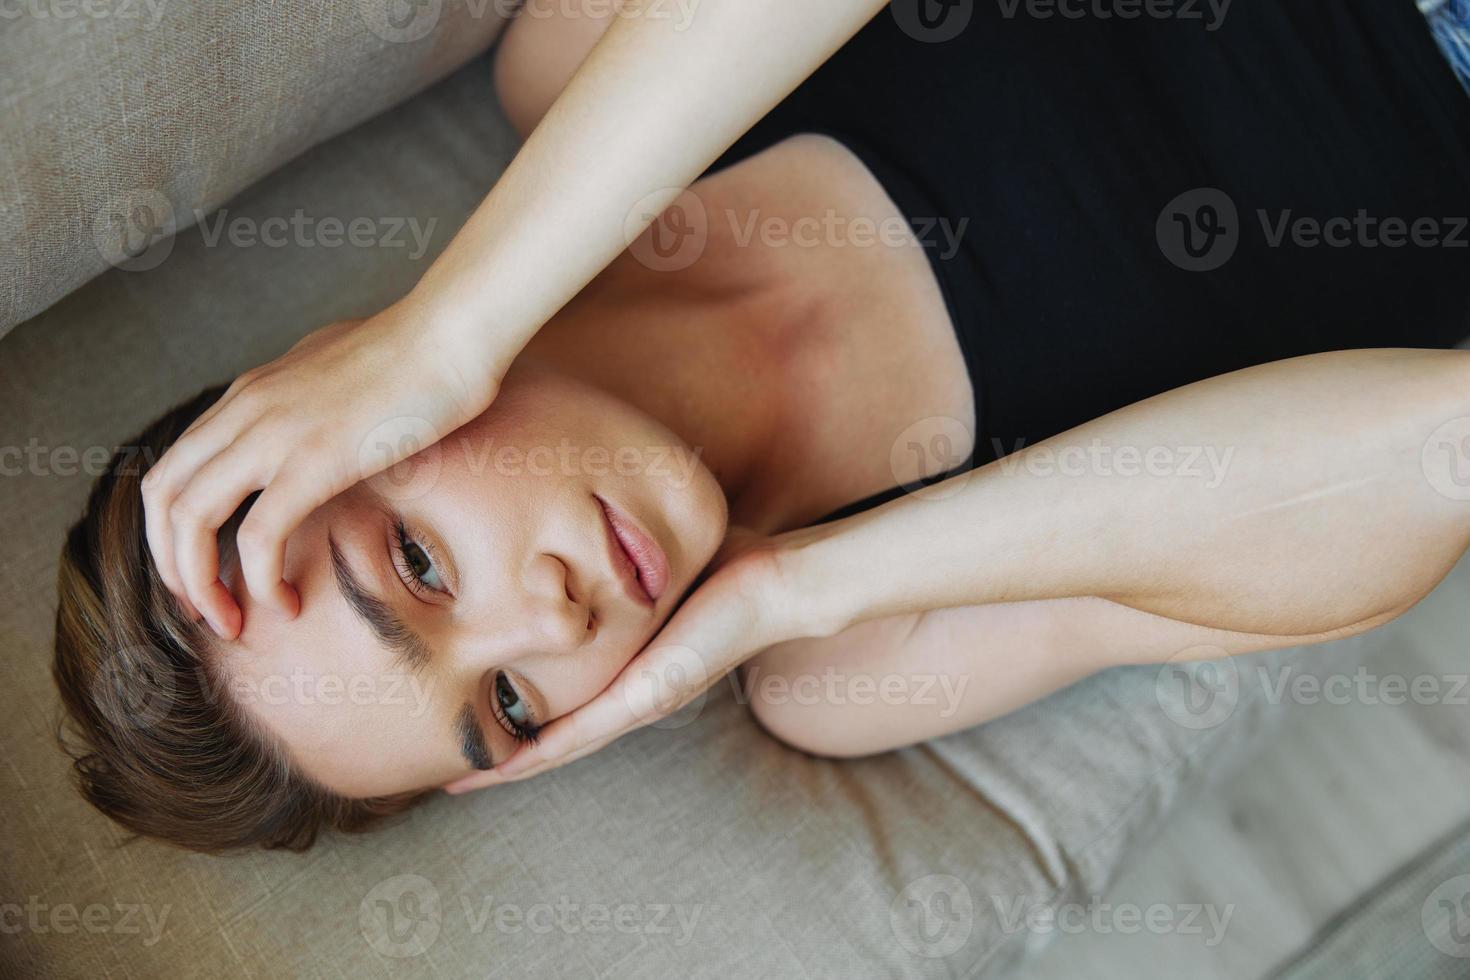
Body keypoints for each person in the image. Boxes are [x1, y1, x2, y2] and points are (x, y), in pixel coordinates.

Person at [55, 0, 1470, 851]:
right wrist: (805, 582)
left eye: (421, 571)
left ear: (330, 389)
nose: (550, 624)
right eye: (505, 709)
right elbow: (1431, 455)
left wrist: (454, 327)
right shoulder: (849, 658)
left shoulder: (575, 69)